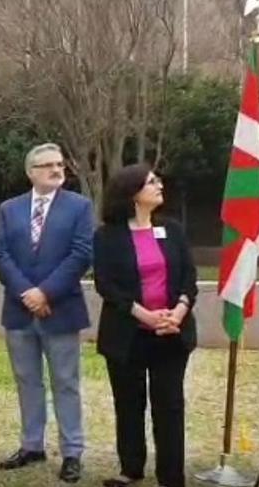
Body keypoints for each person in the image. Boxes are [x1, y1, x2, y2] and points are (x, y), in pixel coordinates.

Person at [0, 143, 93, 483]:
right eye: (47, 165)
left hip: (60, 309)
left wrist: (45, 292)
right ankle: (32, 444)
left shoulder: (79, 207)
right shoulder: (10, 209)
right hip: (19, 312)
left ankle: (72, 451)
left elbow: (81, 254)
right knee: (27, 381)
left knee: (66, 382)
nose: (56, 169)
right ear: (30, 172)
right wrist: (27, 293)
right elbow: (0, 255)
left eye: (60, 164)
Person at [93, 164, 197, 487]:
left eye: (157, 180)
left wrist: (178, 311)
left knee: (169, 405)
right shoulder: (107, 236)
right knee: (129, 403)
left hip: (171, 332)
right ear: (132, 192)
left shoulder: (173, 229)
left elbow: (189, 278)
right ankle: (131, 468)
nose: (159, 184)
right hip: (127, 334)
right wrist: (143, 314)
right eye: (151, 182)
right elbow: (106, 284)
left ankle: (171, 475)